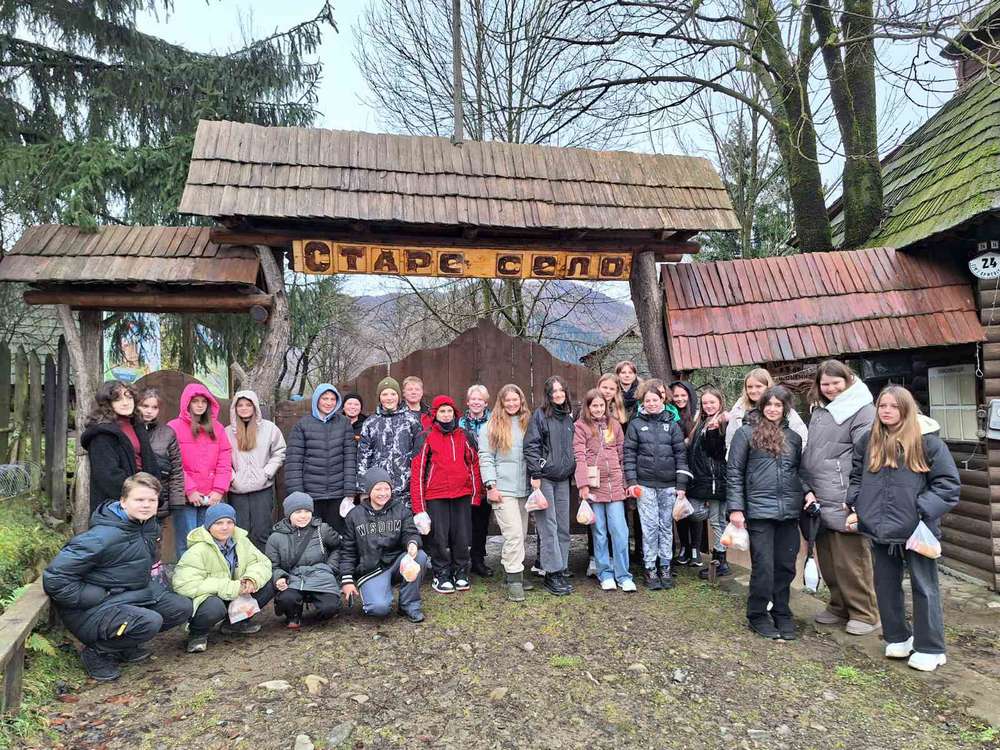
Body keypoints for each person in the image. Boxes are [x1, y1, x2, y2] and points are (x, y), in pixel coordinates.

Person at [846, 386, 959, 672]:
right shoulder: (868, 440)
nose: (886, 411)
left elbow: (948, 485)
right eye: (882, 405)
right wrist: (858, 504)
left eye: (893, 406)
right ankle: (898, 637)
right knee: (885, 585)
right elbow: (856, 475)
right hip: (879, 528)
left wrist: (920, 510)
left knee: (924, 587)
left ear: (906, 409)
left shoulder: (928, 442)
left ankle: (930, 647)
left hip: (918, 529)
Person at [42, 473, 192, 681]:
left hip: (127, 596)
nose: (146, 505)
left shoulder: (148, 526)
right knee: (150, 621)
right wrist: (91, 596)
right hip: (90, 609)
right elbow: (55, 578)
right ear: (123, 501)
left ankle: (124, 643)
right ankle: (97, 651)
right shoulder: (101, 536)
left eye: (152, 500)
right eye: (139, 500)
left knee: (181, 607)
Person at [800, 360, 880, 636]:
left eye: (836, 382)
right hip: (821, 495)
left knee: (852, 560)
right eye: (826, 384)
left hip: (845, 495)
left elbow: (866, 453)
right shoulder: (822, 409)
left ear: (847, 381)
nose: (831, 388)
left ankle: (865, 612)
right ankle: (838, 605)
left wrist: (858, 495)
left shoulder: (861, 410)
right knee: (829, 558)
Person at [727, 385, 806, 640]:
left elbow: (798, 472)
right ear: (762, 406)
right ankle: (758, 613)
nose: (773, 409)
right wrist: (736, 508)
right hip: (759, 511)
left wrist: (808, 492)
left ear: (785, 409)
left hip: (789, 511)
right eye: (769, 404)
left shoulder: (793, 438)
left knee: (785, 566)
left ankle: (782, 612)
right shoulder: (745, 433)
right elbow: (735, 472)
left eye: (778, 405)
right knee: (764, 567)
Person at [172, 503, 274, 653]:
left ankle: (235, 624)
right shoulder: (198, 550)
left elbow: (262, 562)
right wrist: (230, 587)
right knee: (214, 607)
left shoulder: (241, 541)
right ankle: (197, 634)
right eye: (218, 523)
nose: (225, 527)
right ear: (209, 526)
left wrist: (251, 579)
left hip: (235, 592)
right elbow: (184, 584)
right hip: (211, 598)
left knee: (268, 585)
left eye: (229, 522)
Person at [624, 379, 691, 590]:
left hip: (669, 485)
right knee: (649, 526)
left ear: (662, 399)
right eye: (648, 400)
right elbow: (629, 455)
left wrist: (681, 485)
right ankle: (650, 567)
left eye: (655, 399)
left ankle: (665, 565)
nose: (652, 403)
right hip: (644, 485)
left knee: (666, 526)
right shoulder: (635, 424)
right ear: (643, 402)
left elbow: (681, 455)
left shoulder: (672, 423)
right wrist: (632, 481)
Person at [411, 395, 482, 593]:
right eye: (442, 411)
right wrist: (419, 508)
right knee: (439, 538)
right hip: (436, 495)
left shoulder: (464, 435)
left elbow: (474, 464)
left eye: (449, 411)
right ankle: (441, 573)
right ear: (435, 414)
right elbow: (417, 472)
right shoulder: (425, 437)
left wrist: (476, 494)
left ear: (455, 413)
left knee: (462, 536)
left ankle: (460, 572)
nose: (446, 414)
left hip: (462, 494)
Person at [340, 468, 427, 623]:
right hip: (371, 570)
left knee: (420, 556)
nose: (383, 493)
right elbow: (347, 550)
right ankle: (378, 594)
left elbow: (410, 532)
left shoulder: (400, 509)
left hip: (396, 564)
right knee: (379, 609)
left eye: (386, 488)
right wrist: (347, 580)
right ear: (369, 490)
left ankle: (409, 604)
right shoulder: (354, 515)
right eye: (378, 489)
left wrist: (412, 543)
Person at [574, 388, 634, 592]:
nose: (598, 409)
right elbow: (579, 457)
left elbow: (622, 454)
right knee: (599, 532)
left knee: (619, 530)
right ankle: (605, 573)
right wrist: (583, 484)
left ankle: (624, 574)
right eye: (594, 405)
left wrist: (626, 481)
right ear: (588, 407)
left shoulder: (614, 425)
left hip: (615, 485)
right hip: (594, 487)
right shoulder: (580, 427)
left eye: (601, 405)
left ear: (606, 406)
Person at [479, 384, 534, 602]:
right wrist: (490, 486)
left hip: (525, 489)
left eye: (515, 400)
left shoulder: (527, 423)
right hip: (503, 489)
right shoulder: (490, 426)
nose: (512, 404)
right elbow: (486, 457)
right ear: (501, 403)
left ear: (521, 401)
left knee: (521, 534)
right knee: (513, 535)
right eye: (507, 400)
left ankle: (514, 572)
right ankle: (514, 581)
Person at [524, 375, 576, 596]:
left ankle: (561, 567)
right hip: (544, 478)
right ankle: (551, 572)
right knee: (549, 527)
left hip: (563, 479)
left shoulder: (567, 418)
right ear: (548, 394)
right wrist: (536, 472)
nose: (558, 394)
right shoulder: (540, 416)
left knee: (564, 526)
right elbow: (531, 446)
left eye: (561, 390)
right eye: (553, 391)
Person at [167, 384, 232, 559]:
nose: (200, 405)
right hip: (186, 496)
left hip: (211, 496)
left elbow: (224, 461)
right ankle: (186, 583)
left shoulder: (217, 428)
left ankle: (209, 581)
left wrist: (218, 490)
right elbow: (173, 462)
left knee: (211, 541)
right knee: (187, 541)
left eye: (204, 401)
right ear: (187, 403)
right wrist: (190, 489)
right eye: (195, 401)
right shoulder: (174, 427)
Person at [81, 380, 161, 517]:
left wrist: (154, 494)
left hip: (143, 502)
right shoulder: (101, 433)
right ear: (108, 403)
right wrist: (136, 497)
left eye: (129, 397)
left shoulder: (137, 425)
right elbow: (108, 476)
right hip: (116, 506)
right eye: (118, 399)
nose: (125, 402)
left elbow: (150, 462)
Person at [285, 384, 355, 533]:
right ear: (317, 400)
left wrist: (349, 492)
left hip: (337, 493)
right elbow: (294, 463)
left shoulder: (344, 423)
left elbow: (350, 458)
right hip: (311, 494)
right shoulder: (302, 425)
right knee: (312, 536)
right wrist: (298, 494)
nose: (329, 402)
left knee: (336, 535)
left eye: (332, 399)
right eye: (325, 398)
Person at [265, 492, 342, 629]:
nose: (303, 515)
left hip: (320, 576)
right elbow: (272, 565)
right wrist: (279, 577)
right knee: (286, 600)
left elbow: (338, 547)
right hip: (293, 578)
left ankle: (322, 613)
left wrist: (331, 567)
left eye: (307, 511)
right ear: (289, 514)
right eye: (298, 511)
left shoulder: (322, 529)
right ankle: (293, 615)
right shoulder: (276, 537)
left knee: (329, 607)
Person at [226, 390, 287, 552]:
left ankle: (264, 572)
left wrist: (266, 472)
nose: (244, 408)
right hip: (237, 491)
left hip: (262, 489)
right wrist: (232, 478)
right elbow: (221, 459)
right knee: (239, 532)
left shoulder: (269, 429)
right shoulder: (227, 432)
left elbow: (279, 452)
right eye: (240, 405)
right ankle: (242, 571)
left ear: (255, 407)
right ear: (235, 408)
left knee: (262, 531)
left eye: (248, 405)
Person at [357, 377, 423, 504]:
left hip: (406, 490)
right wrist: (363, 490)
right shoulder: (370, 423)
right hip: (379, 491)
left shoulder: (411, 420)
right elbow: (363, 458)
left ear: (399, 396)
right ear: (379, 397)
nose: (389, 398)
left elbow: (419, 454)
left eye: (393, 394)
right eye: (385, 394)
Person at [689, 388, 732, 580]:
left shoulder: (723, 423)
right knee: (698, 513)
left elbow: (717, 453)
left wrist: (716, 431)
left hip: (717, 480)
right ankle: (720, 558)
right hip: (703, 480)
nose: (708, 406)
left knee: (717, 521)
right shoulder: (702, 422)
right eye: (705, 403)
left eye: (712, 402)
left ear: (720, 402)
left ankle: (720, 561)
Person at [724, 368, 807, 454]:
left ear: (768, 387)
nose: (753, 390)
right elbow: (731, 441)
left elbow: (802, 439)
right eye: (749, 387)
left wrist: (787, 460)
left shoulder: (783, 409)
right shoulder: (739, 409)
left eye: (758, 386)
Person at [458, 384, 493, 578]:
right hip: (465, 479)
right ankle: (462, 560)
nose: (476, 402)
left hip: (486, 478)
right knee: (464, 522)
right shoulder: (460, 424)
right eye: (473, 399)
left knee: (481, 522)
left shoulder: (494, 421)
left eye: (480, 399)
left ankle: (478, 560)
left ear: (485, 402)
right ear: (468, 402)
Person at [136, 388, 185, 519]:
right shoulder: (129, 430)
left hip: (159, 497)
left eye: (154, 407)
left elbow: (176, 469)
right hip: (134, 497)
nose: (149, 411)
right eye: (145, 406)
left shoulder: (167, 433)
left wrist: (176, 501)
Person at [670, 380, 701, 566]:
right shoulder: (670, 416)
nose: (680, 399)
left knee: (695, 510)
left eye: (683, 395)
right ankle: (684, 546)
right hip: (676, 467)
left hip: (695, 468)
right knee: (680, 507)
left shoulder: (697, 416)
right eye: (676, 396)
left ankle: (696, 547)